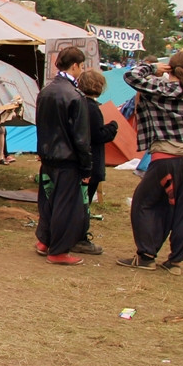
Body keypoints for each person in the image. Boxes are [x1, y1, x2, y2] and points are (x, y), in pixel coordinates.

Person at [117, 51, 183, 273]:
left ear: (171, 69)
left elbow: (131, 75)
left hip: (166, 157)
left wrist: (153, 67)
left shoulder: (163, 89)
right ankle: (175, 261)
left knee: (144, 203)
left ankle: (146, 256)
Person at [34, 46, 92, 265]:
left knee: (48, 200)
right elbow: (81, 137)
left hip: (47, 155)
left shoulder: (45, 91)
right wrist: (86, 167)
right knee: (65, 205)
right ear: (75, 65)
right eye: (82, 66)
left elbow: (40, 125)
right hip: (68, 159)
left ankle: (44, 240)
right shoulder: (75, 96)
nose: (82, 70)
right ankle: (58, 250)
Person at [77, 69, 119, 254]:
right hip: (91, 162)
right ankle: (79, 237)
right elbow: (96, 135)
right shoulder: (91, 108)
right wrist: (112, 128)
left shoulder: (79, 104)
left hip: (83, 161)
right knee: (84, 203)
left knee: (80, 201)